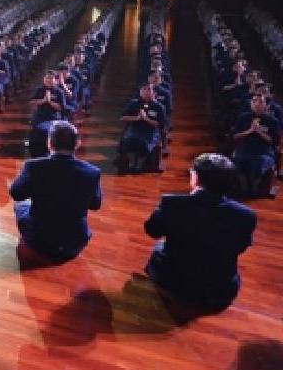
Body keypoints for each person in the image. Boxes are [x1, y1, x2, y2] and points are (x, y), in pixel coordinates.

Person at [144, 153, 256, 311]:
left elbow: (152, 231)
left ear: (195, 178)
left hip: (173, 281)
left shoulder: (171, 203)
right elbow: (241, 247)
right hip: (219, 289)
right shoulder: (246, 215)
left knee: (160, 246)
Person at [9, 120, 102, 262]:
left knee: (21, 206)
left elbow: (16, 193)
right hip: (74, 243)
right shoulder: (92, 172)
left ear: (49, 143)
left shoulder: (34, 167)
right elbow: (95, 204)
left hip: (40, 242)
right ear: (77, 144)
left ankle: (28, 242)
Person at [230, 92, 280, 198]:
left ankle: (255, 189)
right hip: (244, 149)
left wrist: (259, 132)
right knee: (237, 161)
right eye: (254, 101)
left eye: (261, 102)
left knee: (258, 163)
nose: (257, 104)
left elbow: (274, 142)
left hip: (263, 151)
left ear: (265, 105)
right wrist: (249, 131)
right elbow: (235, 136)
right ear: (251, 104)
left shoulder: (272, 121)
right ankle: (243, 188)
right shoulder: (243, 117)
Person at [116, 83, 166, 173]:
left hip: (150, 132)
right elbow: (123, 117)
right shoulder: (134, 103)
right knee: (127, 141)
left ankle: (141, 163)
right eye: (143, 90)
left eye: (148, 90)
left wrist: (146, 119)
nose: (146, 92)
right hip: (135, 130)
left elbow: (160, 124)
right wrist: (137, 118)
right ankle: (127, 162)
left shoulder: (159, 107)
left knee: (143, 144)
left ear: (154, 93)